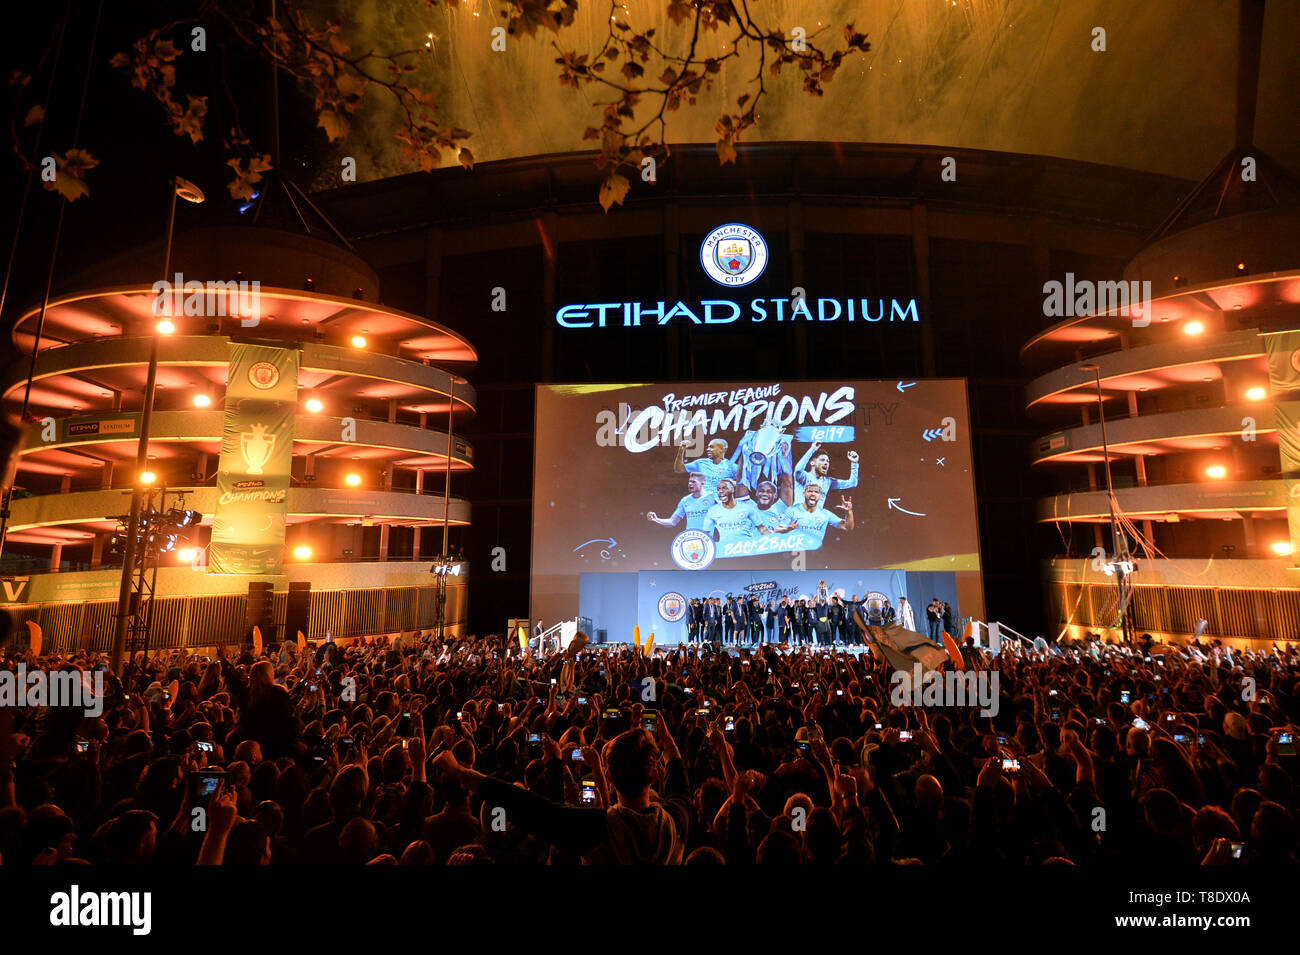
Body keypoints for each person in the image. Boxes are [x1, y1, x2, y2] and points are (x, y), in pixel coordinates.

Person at [434, 725, 689, 865]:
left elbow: (529, 808)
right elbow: (679, 789)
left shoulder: (595, 829)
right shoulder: (676, 823)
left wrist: (461, 773)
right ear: (655, 775)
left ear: (609, 779)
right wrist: (669, 746)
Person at [647, 473, 712, 530]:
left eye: (693, 482)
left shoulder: (712, 498)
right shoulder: (685, 500)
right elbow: (672, 522)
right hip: (691, 540)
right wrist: (656, 519)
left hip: (710, 540)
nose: (690, 484)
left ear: (702, 483)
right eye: (689, 481)